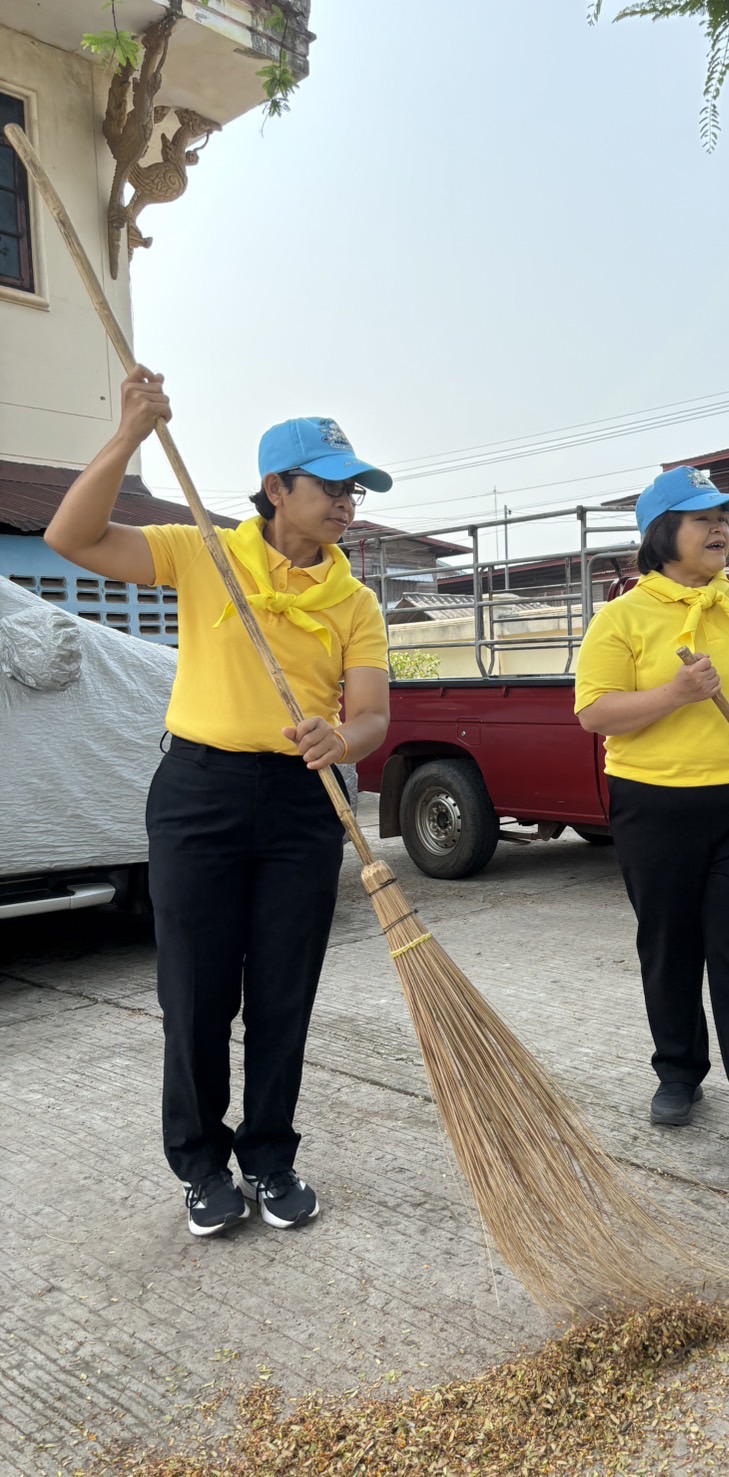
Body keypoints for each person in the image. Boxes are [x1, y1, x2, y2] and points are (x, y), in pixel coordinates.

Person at [45, 366, 393, 1233]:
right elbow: (70, 537)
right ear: (277, 488)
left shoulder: (354, 599)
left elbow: (375, 714)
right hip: (198, 791)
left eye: (355, 489)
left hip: (300, 801)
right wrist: (127, 434)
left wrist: (340, 740)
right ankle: (200, 1165)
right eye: (330, 486)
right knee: (195, 991)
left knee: (284, 989)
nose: (347, 502)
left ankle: (271, 1156)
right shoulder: (203, 549)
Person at [574, 465, 729, 1173]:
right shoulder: (621, 617)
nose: (721, 529)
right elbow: (595, 711)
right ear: (662, 534)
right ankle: (678, 1071)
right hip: (654, 804)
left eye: (726, 518)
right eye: (703, 519)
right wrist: (676, 692)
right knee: (669, 943)